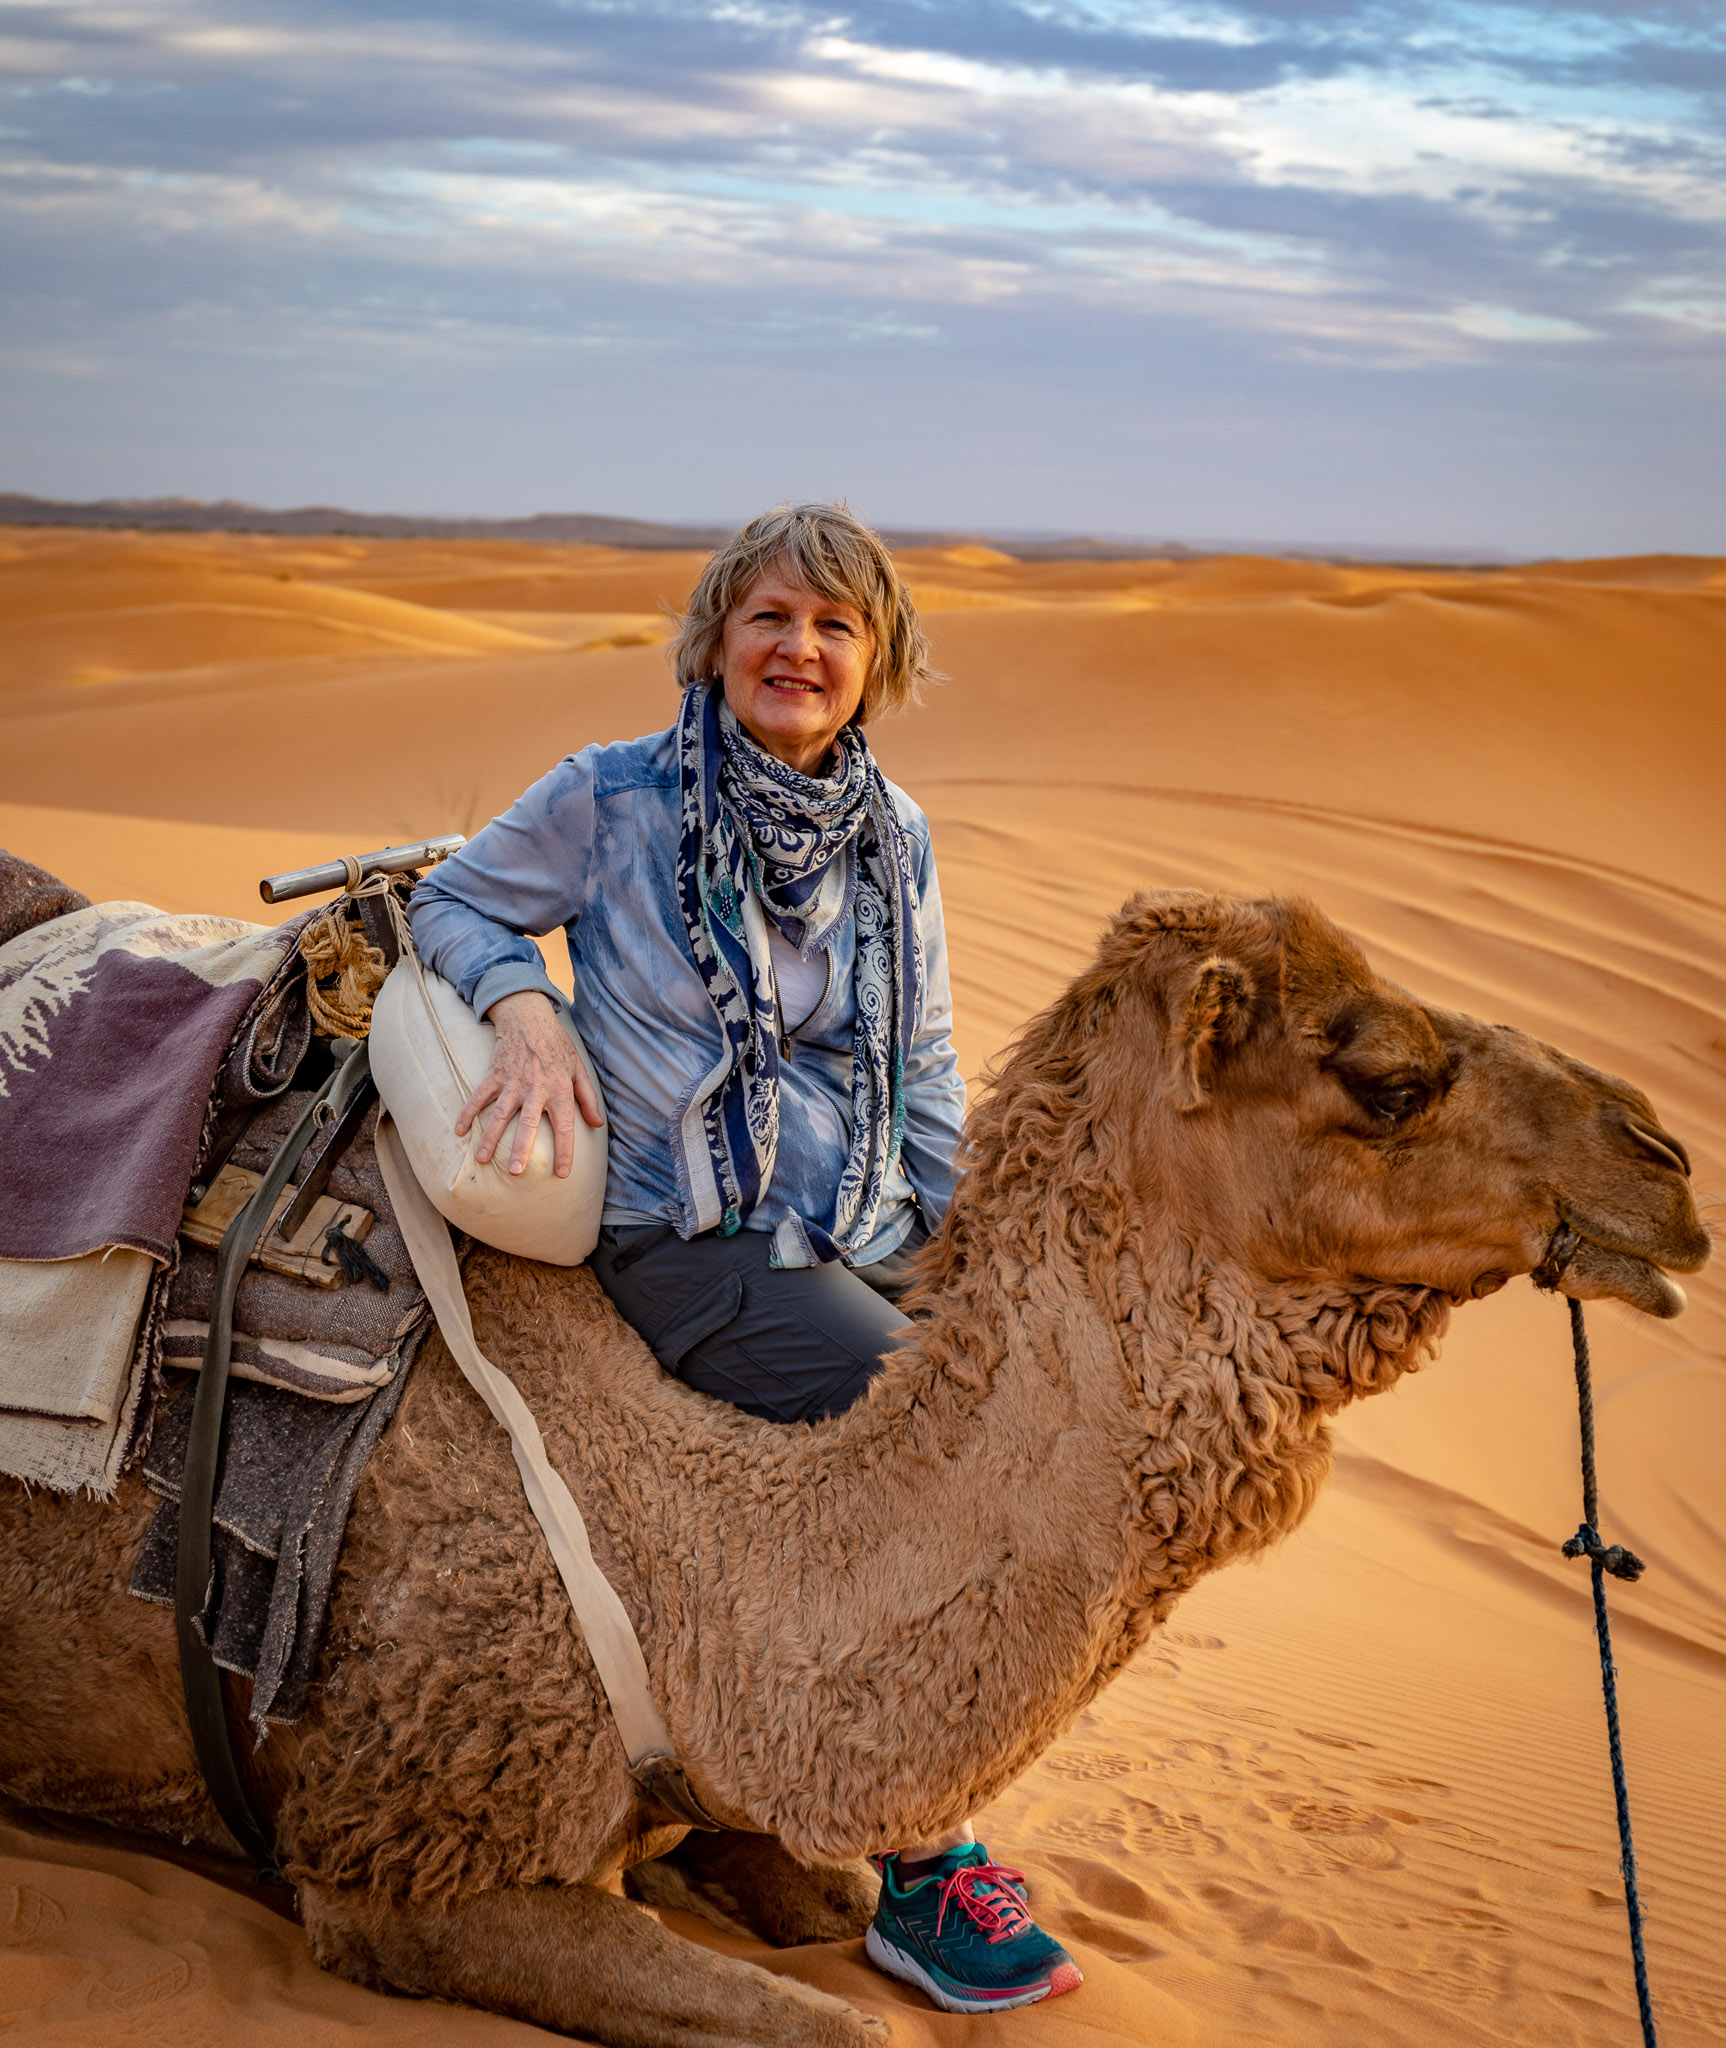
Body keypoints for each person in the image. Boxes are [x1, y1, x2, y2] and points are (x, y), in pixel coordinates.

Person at [409, 502, 1082, 2016]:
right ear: (715, 638)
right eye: (771, 617)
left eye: (835, 627)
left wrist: (972, 1256)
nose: (801, 649)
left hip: (861, 1216)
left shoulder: (887, 832)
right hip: (691, 1233)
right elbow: (453, 903)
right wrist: (523, 1005)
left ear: (874, 661)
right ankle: (926, 1863)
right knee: (920, 1443)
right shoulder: (613, 797)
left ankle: (795, 1784)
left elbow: (916, 1062)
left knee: (1045, 1417)